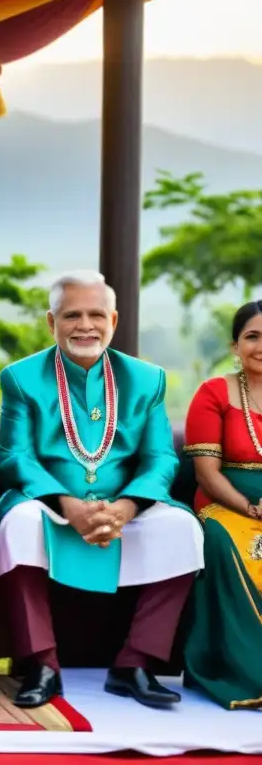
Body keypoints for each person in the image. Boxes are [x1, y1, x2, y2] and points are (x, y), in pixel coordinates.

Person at [0, 270, 204, 710]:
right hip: (47, 503)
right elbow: (15, 457)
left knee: (183, 528)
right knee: (18, 525)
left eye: (95, 314)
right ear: (51, 322)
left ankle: (135, 664)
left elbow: (161, 458)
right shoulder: (22, 378)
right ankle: (42, 664)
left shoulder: (146, 379)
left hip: (126, 506)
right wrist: (69, 506)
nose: (85, 325)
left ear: (114, 320)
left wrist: (123, 508)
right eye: (72, 315)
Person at [182, 299, 262, 710]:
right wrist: (252, 508)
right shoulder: (214, 393)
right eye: (252, 336)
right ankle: (243, 673)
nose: (261, 345)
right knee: (224, 543)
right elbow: (207, 475)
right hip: (226, 504)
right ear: (235, 345)